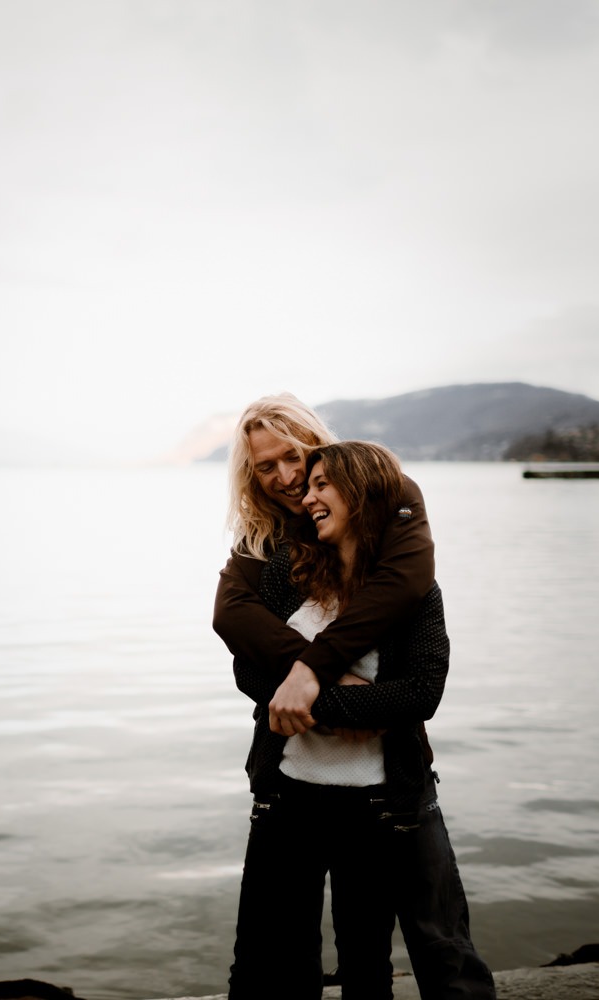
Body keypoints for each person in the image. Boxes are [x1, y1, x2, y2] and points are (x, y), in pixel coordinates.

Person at [213, 396, 495, 1000]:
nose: (294, 484)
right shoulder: (279, 563)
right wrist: (326, 686)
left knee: (399, 959)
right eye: (268, 468)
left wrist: (315, 691)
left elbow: (420, 692)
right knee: (269, 965)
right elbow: (244, 656)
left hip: (384, 798)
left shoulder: (403, 571)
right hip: (289, 796)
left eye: (304, 466)